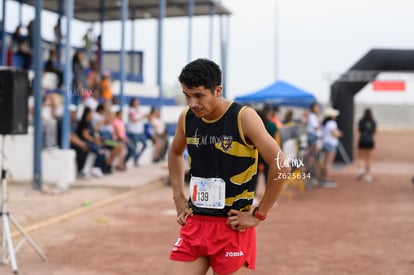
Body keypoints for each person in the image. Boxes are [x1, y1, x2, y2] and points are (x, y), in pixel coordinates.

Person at [165, 58, 289, 275]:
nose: (192, 103)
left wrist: (259, 215)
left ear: (218, 90)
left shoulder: (243, 118)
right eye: (187, 95)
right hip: (195, 224)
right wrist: (178, 197)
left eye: (198, 95)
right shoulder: (187, 118)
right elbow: (175, 152)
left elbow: (281, 166)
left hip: (232, 226)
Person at [320, 107, 342, 187]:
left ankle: (323, 178)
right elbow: (335, 134)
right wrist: (339, 134)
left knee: (325, 163)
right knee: (328, 164)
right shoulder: (332, 123)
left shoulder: (325, 123)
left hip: (325, 143)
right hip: (331, 144)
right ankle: (327, 179)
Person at [356, 108, 377, 182]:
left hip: (362, 140)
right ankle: (368, 175)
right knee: (368, 158)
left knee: (360, 157)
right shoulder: (373, 121)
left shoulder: (361, 121)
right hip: (370, 140)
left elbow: (359, 130)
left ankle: (361, 169)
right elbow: (374, 131)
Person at [126, 98, 148, 166]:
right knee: (134, 148)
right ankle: (135, 160)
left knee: (145, 144)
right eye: (136, 102)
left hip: (140, 132)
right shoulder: (130, 110)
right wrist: (142, 116)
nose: (138, 103)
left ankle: (136, 158)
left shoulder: (138, 110)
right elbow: (133, 120)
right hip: (133, 132)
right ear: (132, 103)